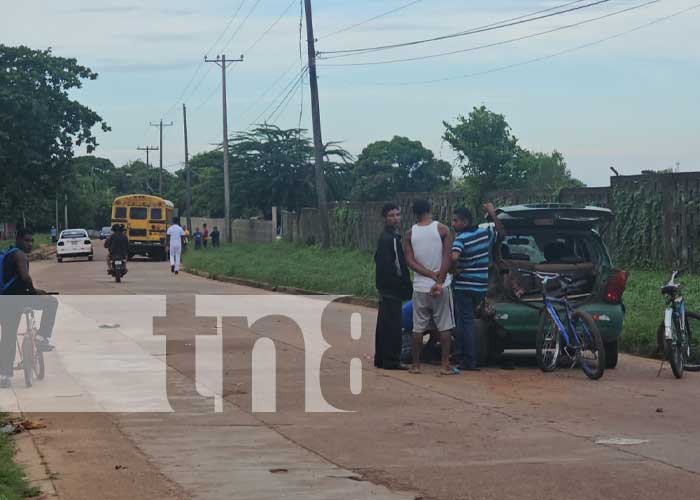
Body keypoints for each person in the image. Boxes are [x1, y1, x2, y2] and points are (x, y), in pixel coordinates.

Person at [451, 203, 506, 371]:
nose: (453, 224)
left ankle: (468, 360)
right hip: (480, 287)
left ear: (465, 221)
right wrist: (492, 213)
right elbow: (502, 234)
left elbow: (453, 258)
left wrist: (455, 271)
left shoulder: (461, 239)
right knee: (472, 321)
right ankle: (471, 355)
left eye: (456, 221)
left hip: (464, 286)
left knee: (464, 323)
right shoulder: (485, 233)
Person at [404, 200, 456, 375]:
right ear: (430, 210)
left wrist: (427, 274)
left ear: (415, 213)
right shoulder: (442, 229)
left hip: (420, 286)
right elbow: (447, 256)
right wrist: (439, 280)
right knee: (445, 326)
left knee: (418, 327)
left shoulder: (410, 234)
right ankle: (445, 365)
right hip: (442, 285)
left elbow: (410, 261)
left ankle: (416, 365)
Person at [0, 227, 58, 388]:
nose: (30, 244)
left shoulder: (8, 255)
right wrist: (36, 293)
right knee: (52, 302)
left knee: (8, 337)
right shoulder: (19, 255)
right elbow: (25, 278)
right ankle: (41, 338)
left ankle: (4, 376)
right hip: (19, 300)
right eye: (27, 240)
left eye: (32, 240)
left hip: (5, 302)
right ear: (18, 240)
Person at [374, 203, 412, 370]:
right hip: (391, 290)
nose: (396, 218)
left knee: (384, 325)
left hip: (386, 289)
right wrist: (402, 286)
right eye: (392, 215)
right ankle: (391, 361)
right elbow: (395, 267)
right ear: (384, 218)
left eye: (397, 214)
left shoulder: (388, 237)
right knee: (393, 327)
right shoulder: (390, 239)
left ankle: (381, 359)